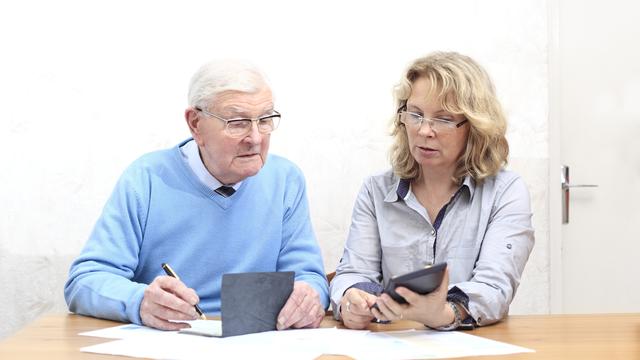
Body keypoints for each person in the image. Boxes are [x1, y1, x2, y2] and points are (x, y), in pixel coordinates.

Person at [64, 60, 328, 331]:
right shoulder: (146, 178)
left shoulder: (285, 180)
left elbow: (310, 277)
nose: (256, 138)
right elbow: (85, 281)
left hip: (256, 343)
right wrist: (139, 301)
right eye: (238, 123)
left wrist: (309, 296)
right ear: (196, 124)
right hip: (169, 342)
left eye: (265, 120)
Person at [330, 52, 534, 330]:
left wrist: (442, 312)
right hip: (392, 345)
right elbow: (354, 272)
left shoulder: (506, 192)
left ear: (474, 126)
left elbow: (494, 287)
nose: (425, 130)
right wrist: (352, 300)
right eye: (415, 115)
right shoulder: (376, 190)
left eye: (444, 119)